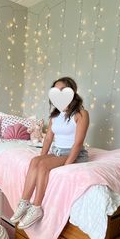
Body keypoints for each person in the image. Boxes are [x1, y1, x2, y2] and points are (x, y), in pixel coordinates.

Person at [10, 77, 89, 229]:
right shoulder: (55, 115)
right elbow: (47, 140)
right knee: (35, 162)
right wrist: (41, 157)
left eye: (62, 91)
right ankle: (24, 202)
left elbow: (78, 143)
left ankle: (37, 207)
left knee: (43, 166)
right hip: (57, 151)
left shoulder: (81, 114)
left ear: (71, 92)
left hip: (74, 154)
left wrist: (67, 165)